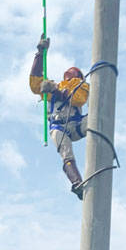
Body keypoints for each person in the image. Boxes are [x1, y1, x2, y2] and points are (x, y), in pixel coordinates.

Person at [28, 35, 89, 198]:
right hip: (59, 126)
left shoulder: (81, 87)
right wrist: (40, 53)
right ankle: (77, 182)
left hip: (77, 124)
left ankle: (103, 146)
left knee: (95, 120)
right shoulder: (57, 86)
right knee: (65, 151)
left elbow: (77, 99)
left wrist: (55, 90)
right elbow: (35, 83)